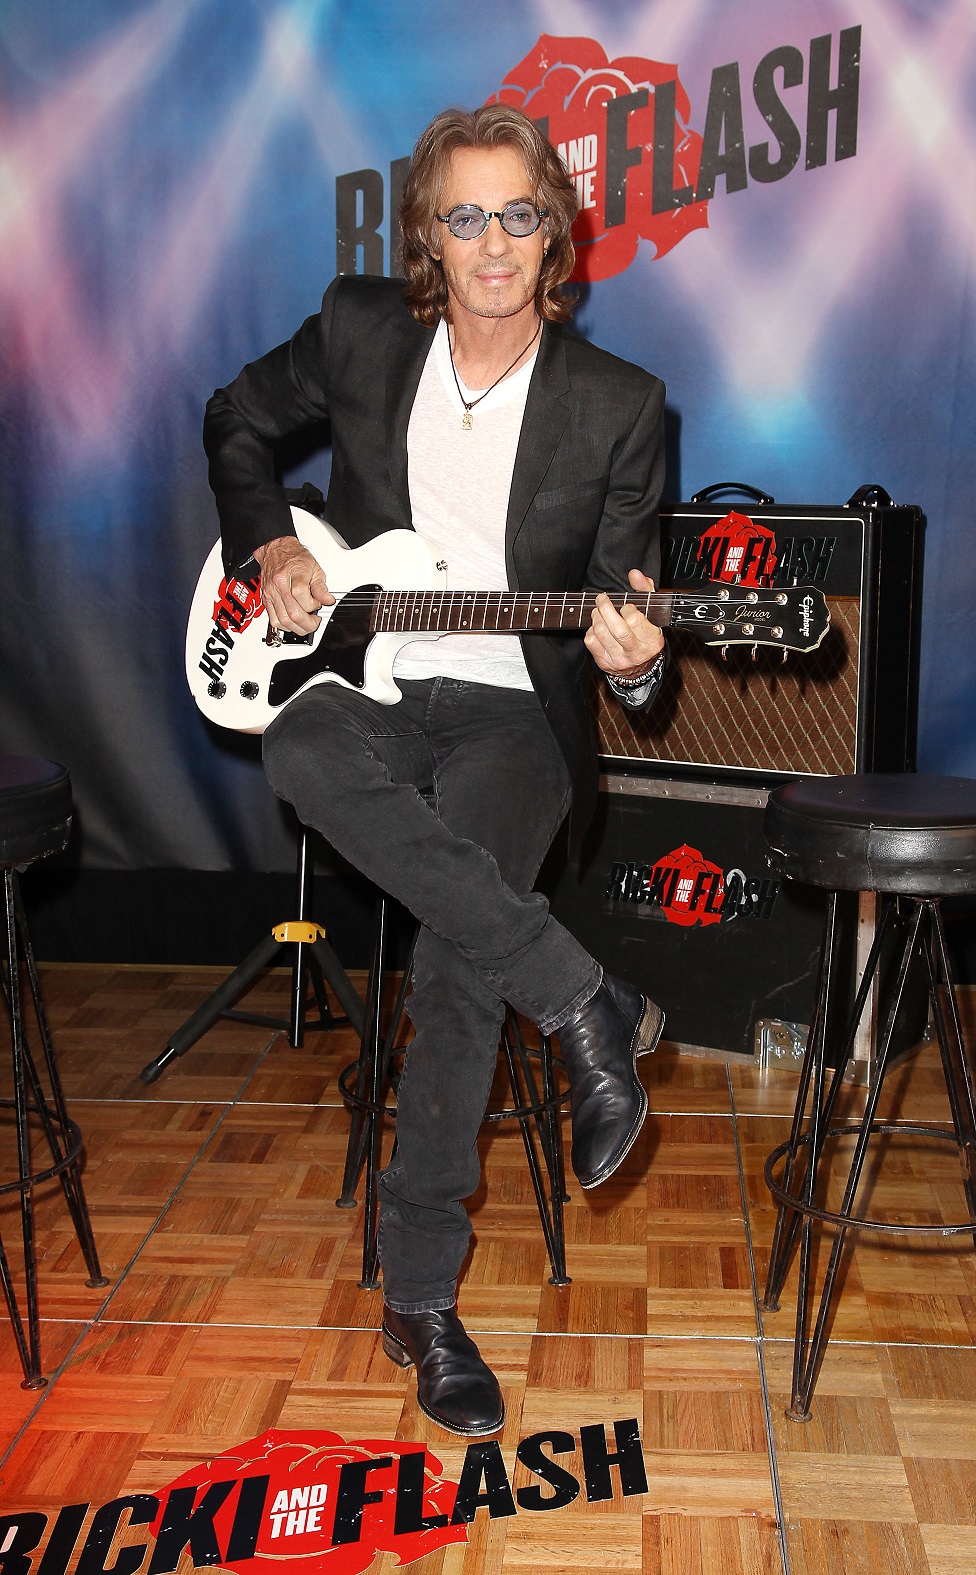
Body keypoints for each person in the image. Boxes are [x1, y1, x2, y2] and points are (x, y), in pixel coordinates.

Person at [204, 103, 667, 1439]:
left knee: (462, 966)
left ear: (553, 234)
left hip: (515, 710)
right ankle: (583, 999)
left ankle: (420, 1298)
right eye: (465, 217)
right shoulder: (360, 331)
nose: (492, 244)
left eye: (517, 215)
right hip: (365, 680)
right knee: (299, 747)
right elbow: (235, 421)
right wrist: (271, 549)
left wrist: (638, 662)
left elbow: (625, 626)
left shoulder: (620, 405)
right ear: (429, 237)